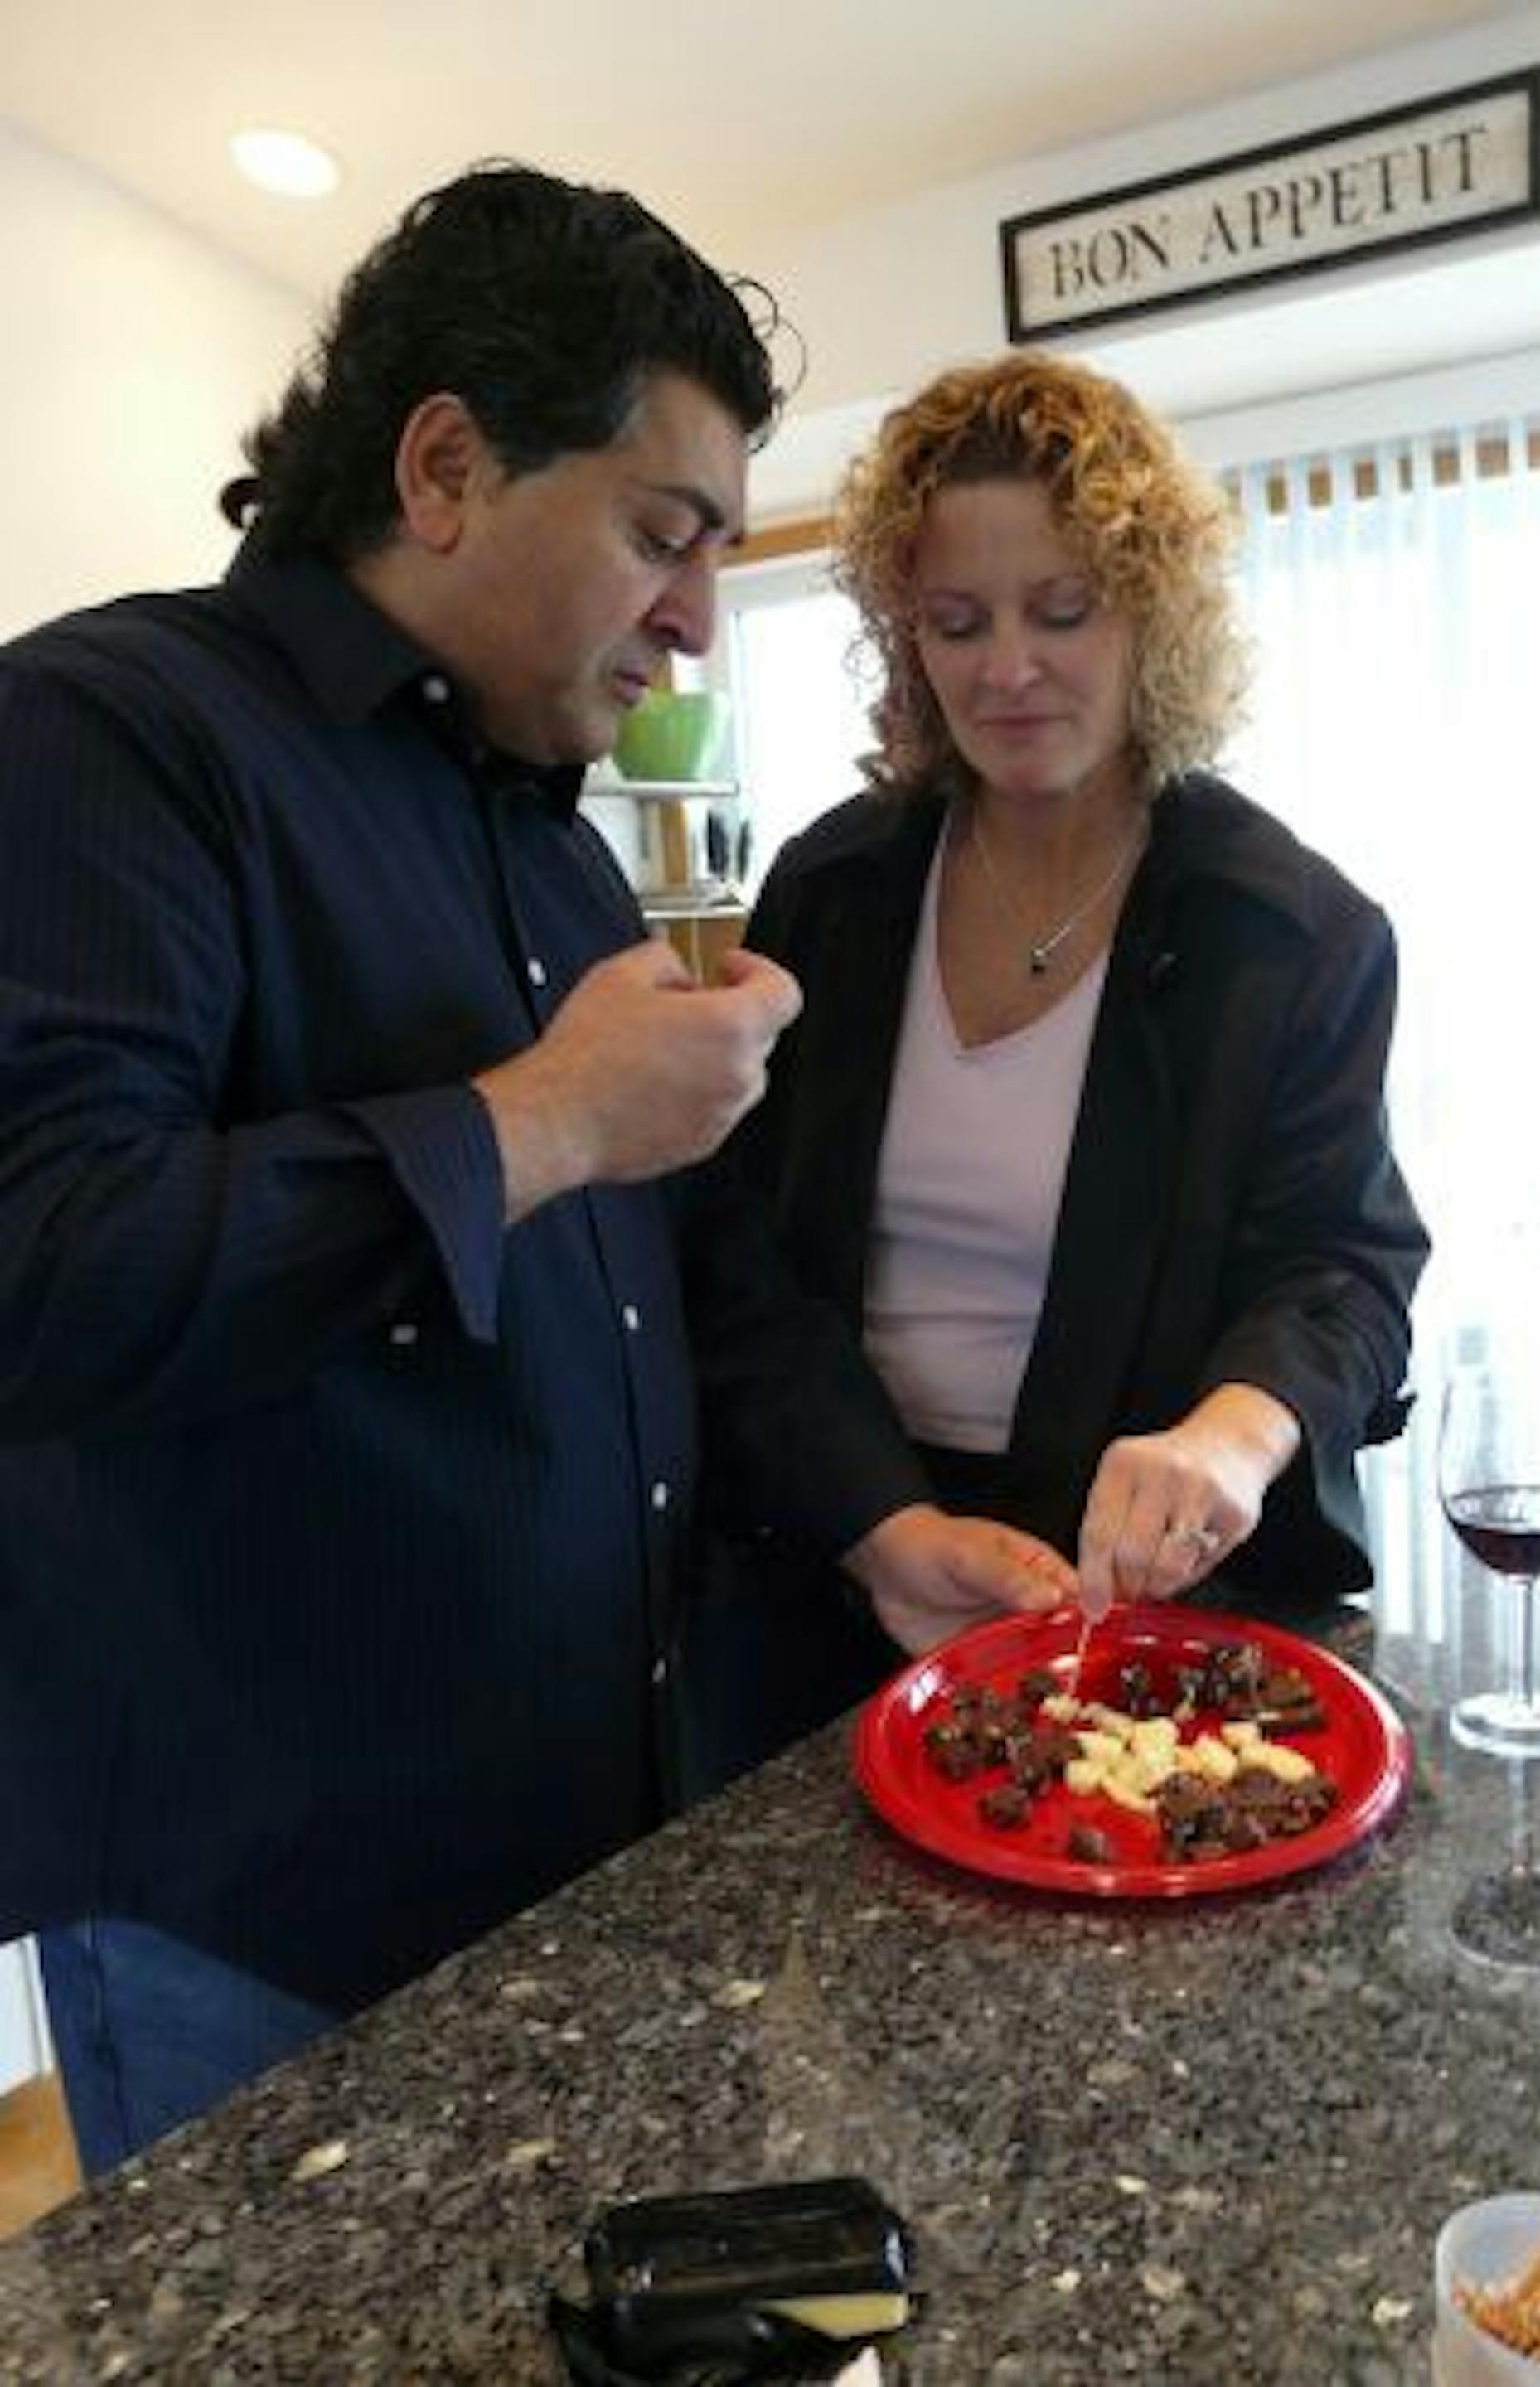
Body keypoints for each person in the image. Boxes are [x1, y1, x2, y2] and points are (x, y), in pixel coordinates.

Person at [0, 167, 1074, 2177]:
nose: (692, 613)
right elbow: (41, 1275)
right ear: (442, 467)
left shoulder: (562, 846)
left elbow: (701, 1273)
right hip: (268, 1924)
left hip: (611, 1865)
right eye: (664, 534)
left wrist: (874, 1530)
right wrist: (540, 1122)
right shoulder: (105, 737)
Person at [690, 349, 1428, 1781]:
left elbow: (1344, 1268)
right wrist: (884, 1530)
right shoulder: (831, 893)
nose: (1006, 668)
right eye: (956, 623)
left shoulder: (1291, 932)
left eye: (1063, 611)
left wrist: (1227, 1437)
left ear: (1153, 615)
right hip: (843, 1546)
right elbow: (741, 1262)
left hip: (1149, 1589)